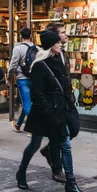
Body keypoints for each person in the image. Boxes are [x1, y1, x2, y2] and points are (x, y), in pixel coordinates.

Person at [16, 30, 86, 192]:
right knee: (34, 145)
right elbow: (37, 93)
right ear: (50, 46)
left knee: (66, 146)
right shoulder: (40, 65)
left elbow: (64, 87)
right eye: (57, 42)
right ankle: (21, 172)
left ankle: (71, 183)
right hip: (44, 114)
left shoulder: (59, 61)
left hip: (59, 110)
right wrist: (48, 110)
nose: (60, 44)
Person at [38, 22, 73, 175]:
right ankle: (59, 170)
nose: (66, 34)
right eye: (63, 32)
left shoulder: (63, 53)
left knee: (69, 131)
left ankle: (49, 149)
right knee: (63, 139)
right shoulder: (47, 58)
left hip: (64, 100)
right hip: (53, 103)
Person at [7, 27, 34, 132]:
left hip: (22, 79)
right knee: (27, 101)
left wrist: (9, 77)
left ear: (21, 36)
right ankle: (18, 124)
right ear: (31, 36)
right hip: (33, 79)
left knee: (27, 104)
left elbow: (13, 64)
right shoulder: (36, 48)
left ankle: (34, 129)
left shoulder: (18, 48)